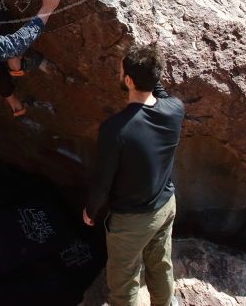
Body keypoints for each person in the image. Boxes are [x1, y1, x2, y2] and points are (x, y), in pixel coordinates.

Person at [82, 43, 184, 306]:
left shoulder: (115, 130)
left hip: (133, 220)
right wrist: (149, 67)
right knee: (160, 263)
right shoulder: (174, 110)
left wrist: (91, 211)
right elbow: (158, 90)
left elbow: (102, 181)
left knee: (124, 281)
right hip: (166, 205)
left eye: (121, 71)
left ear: (127, 80)